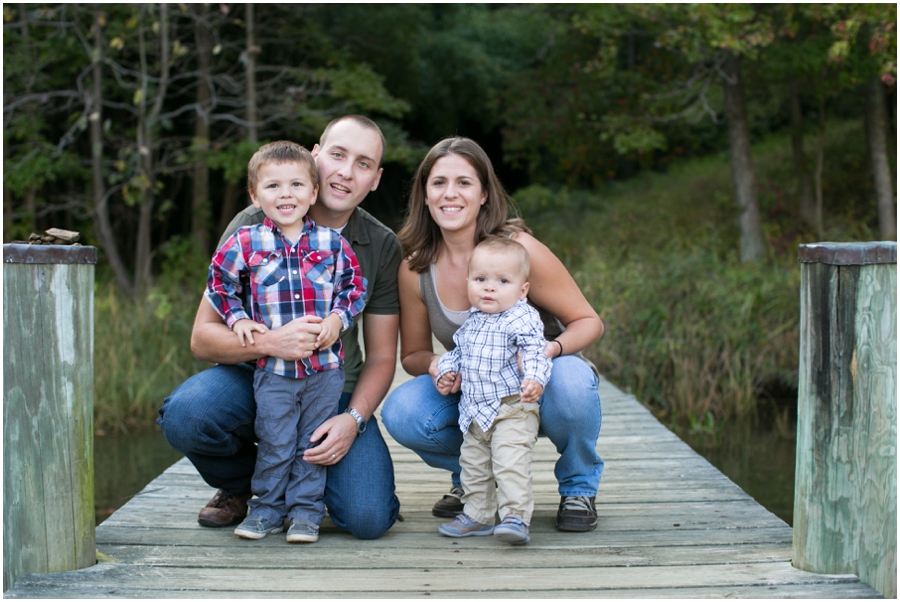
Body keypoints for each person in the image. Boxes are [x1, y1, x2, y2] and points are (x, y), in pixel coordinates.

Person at [158, 115, 401, 540]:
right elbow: (203, 338)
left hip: (332, 387)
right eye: (338, 155)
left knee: (368, 516)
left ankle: (308, 489)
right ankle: (246, 487)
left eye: (363, 163)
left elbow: (382, 356)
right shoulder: (252, 226)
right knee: (187, 415)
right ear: (315, 155)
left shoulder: (379, 244)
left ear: (375, 180)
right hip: (258, 377)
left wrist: (354, 419)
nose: (346, 171)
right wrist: (271, 342)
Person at [380, 136, 605, 533]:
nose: (450, 193)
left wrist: (549, 352)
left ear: (484, 193)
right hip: (478, 388)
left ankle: (578, 486)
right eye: (438, 183)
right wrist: (439, 366)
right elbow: (413, 355)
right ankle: (474, 481)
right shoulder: (415, 268)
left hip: (541, 378)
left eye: (464, 182)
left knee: (572, 385)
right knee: (403, 411)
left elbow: (589, 321)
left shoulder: (518, 250)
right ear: (425, 195)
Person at [205, 141, 367, 543]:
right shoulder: (245, 242)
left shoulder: (331, 243)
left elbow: (354, 288)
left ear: (313, 193)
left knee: (309, 444)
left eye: (296, 185)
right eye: (273, 186)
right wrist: (238, 317)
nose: (286, 194)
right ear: (254, 195)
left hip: (324, 371)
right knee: (276, 440)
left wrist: (336, 318)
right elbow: (218, 284)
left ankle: (305, 514)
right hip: (273, 372)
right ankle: (265, 511)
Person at [434, 236, 552, 545]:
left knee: (509, 463)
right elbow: (458, 353)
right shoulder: (473, 320)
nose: (489, 287)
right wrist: (447, 371)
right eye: (481, 279)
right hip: (474, 411)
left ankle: (516, 516)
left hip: (512, 408)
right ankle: (478, 515)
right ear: (469, 281)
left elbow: (536, 351)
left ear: (522, 290)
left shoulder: (521, 317)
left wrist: (535, 379)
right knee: (473, 466)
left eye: (502, 281)